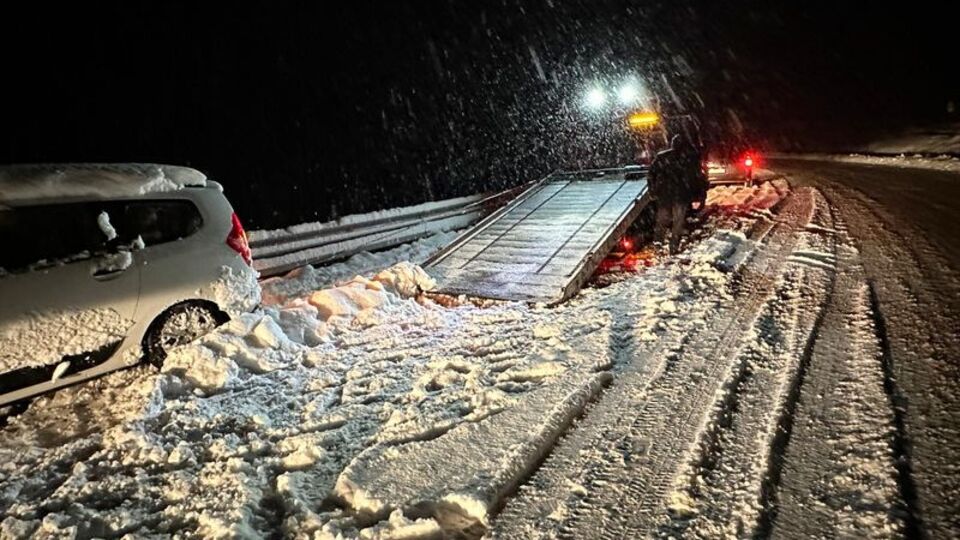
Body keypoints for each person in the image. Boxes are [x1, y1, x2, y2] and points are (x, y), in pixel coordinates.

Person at [649, 134, 702, 253]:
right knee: (678, 222)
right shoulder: (689, 158)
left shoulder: (662, 157)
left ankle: (658, 243)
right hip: (681, 195)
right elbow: (695, 178)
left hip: (666, 195)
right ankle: (673, 246)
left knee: (662, 220)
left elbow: (652, 173)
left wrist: (653, 189)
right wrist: (697, 195)